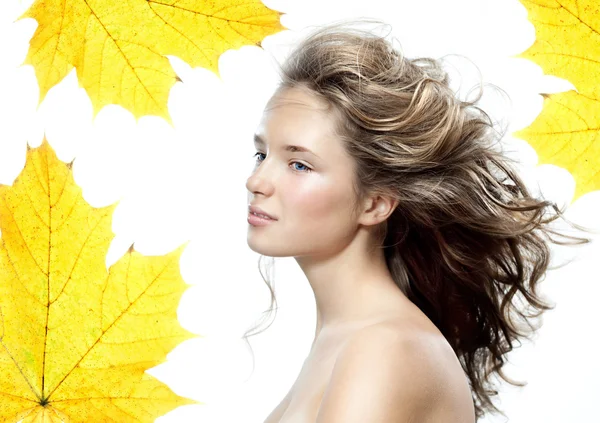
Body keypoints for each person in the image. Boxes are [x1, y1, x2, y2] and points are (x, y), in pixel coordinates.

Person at [244, 17, 591, 423]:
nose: (256, 181)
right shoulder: (349, 338)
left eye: (300, 164)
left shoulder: (384, 347)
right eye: (262, 154)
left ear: (375, 204)